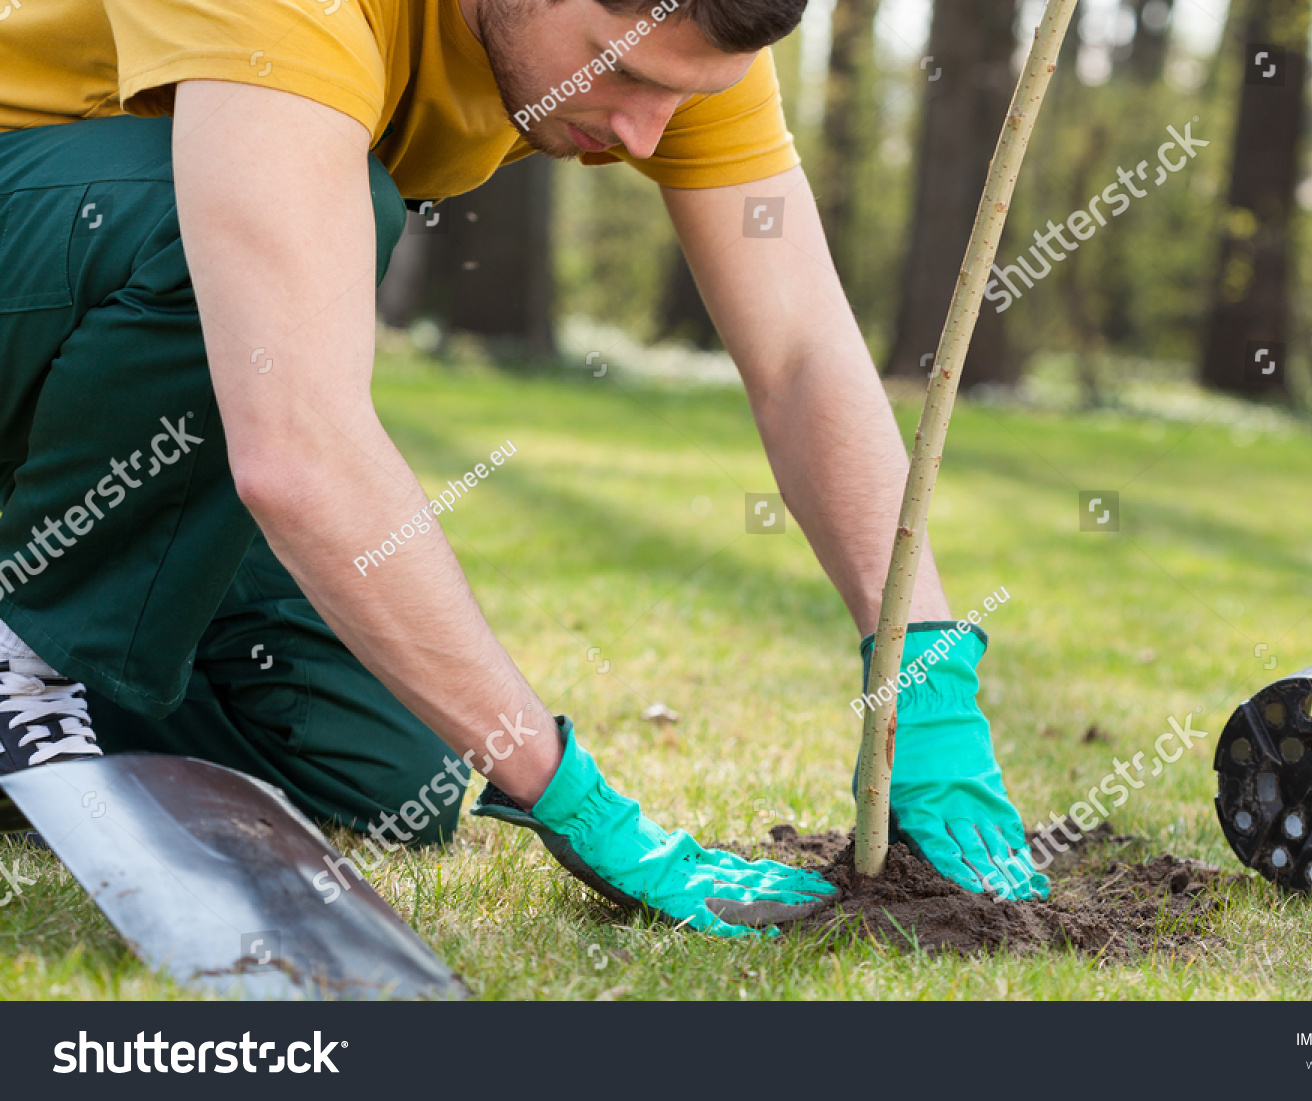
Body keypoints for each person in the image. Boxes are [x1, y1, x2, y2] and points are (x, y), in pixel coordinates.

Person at [0, 0, 1046, 938]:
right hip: (48, 240)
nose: (642, 134)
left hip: (75, 382)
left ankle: (46, 672)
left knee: (375, 771)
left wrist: (926, 666)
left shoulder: (684, 44)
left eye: (681, 95)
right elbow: (295, 447)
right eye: (620, 72)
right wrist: (565, 793)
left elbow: (801, 355)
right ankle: (27, 664)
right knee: (291, 205)